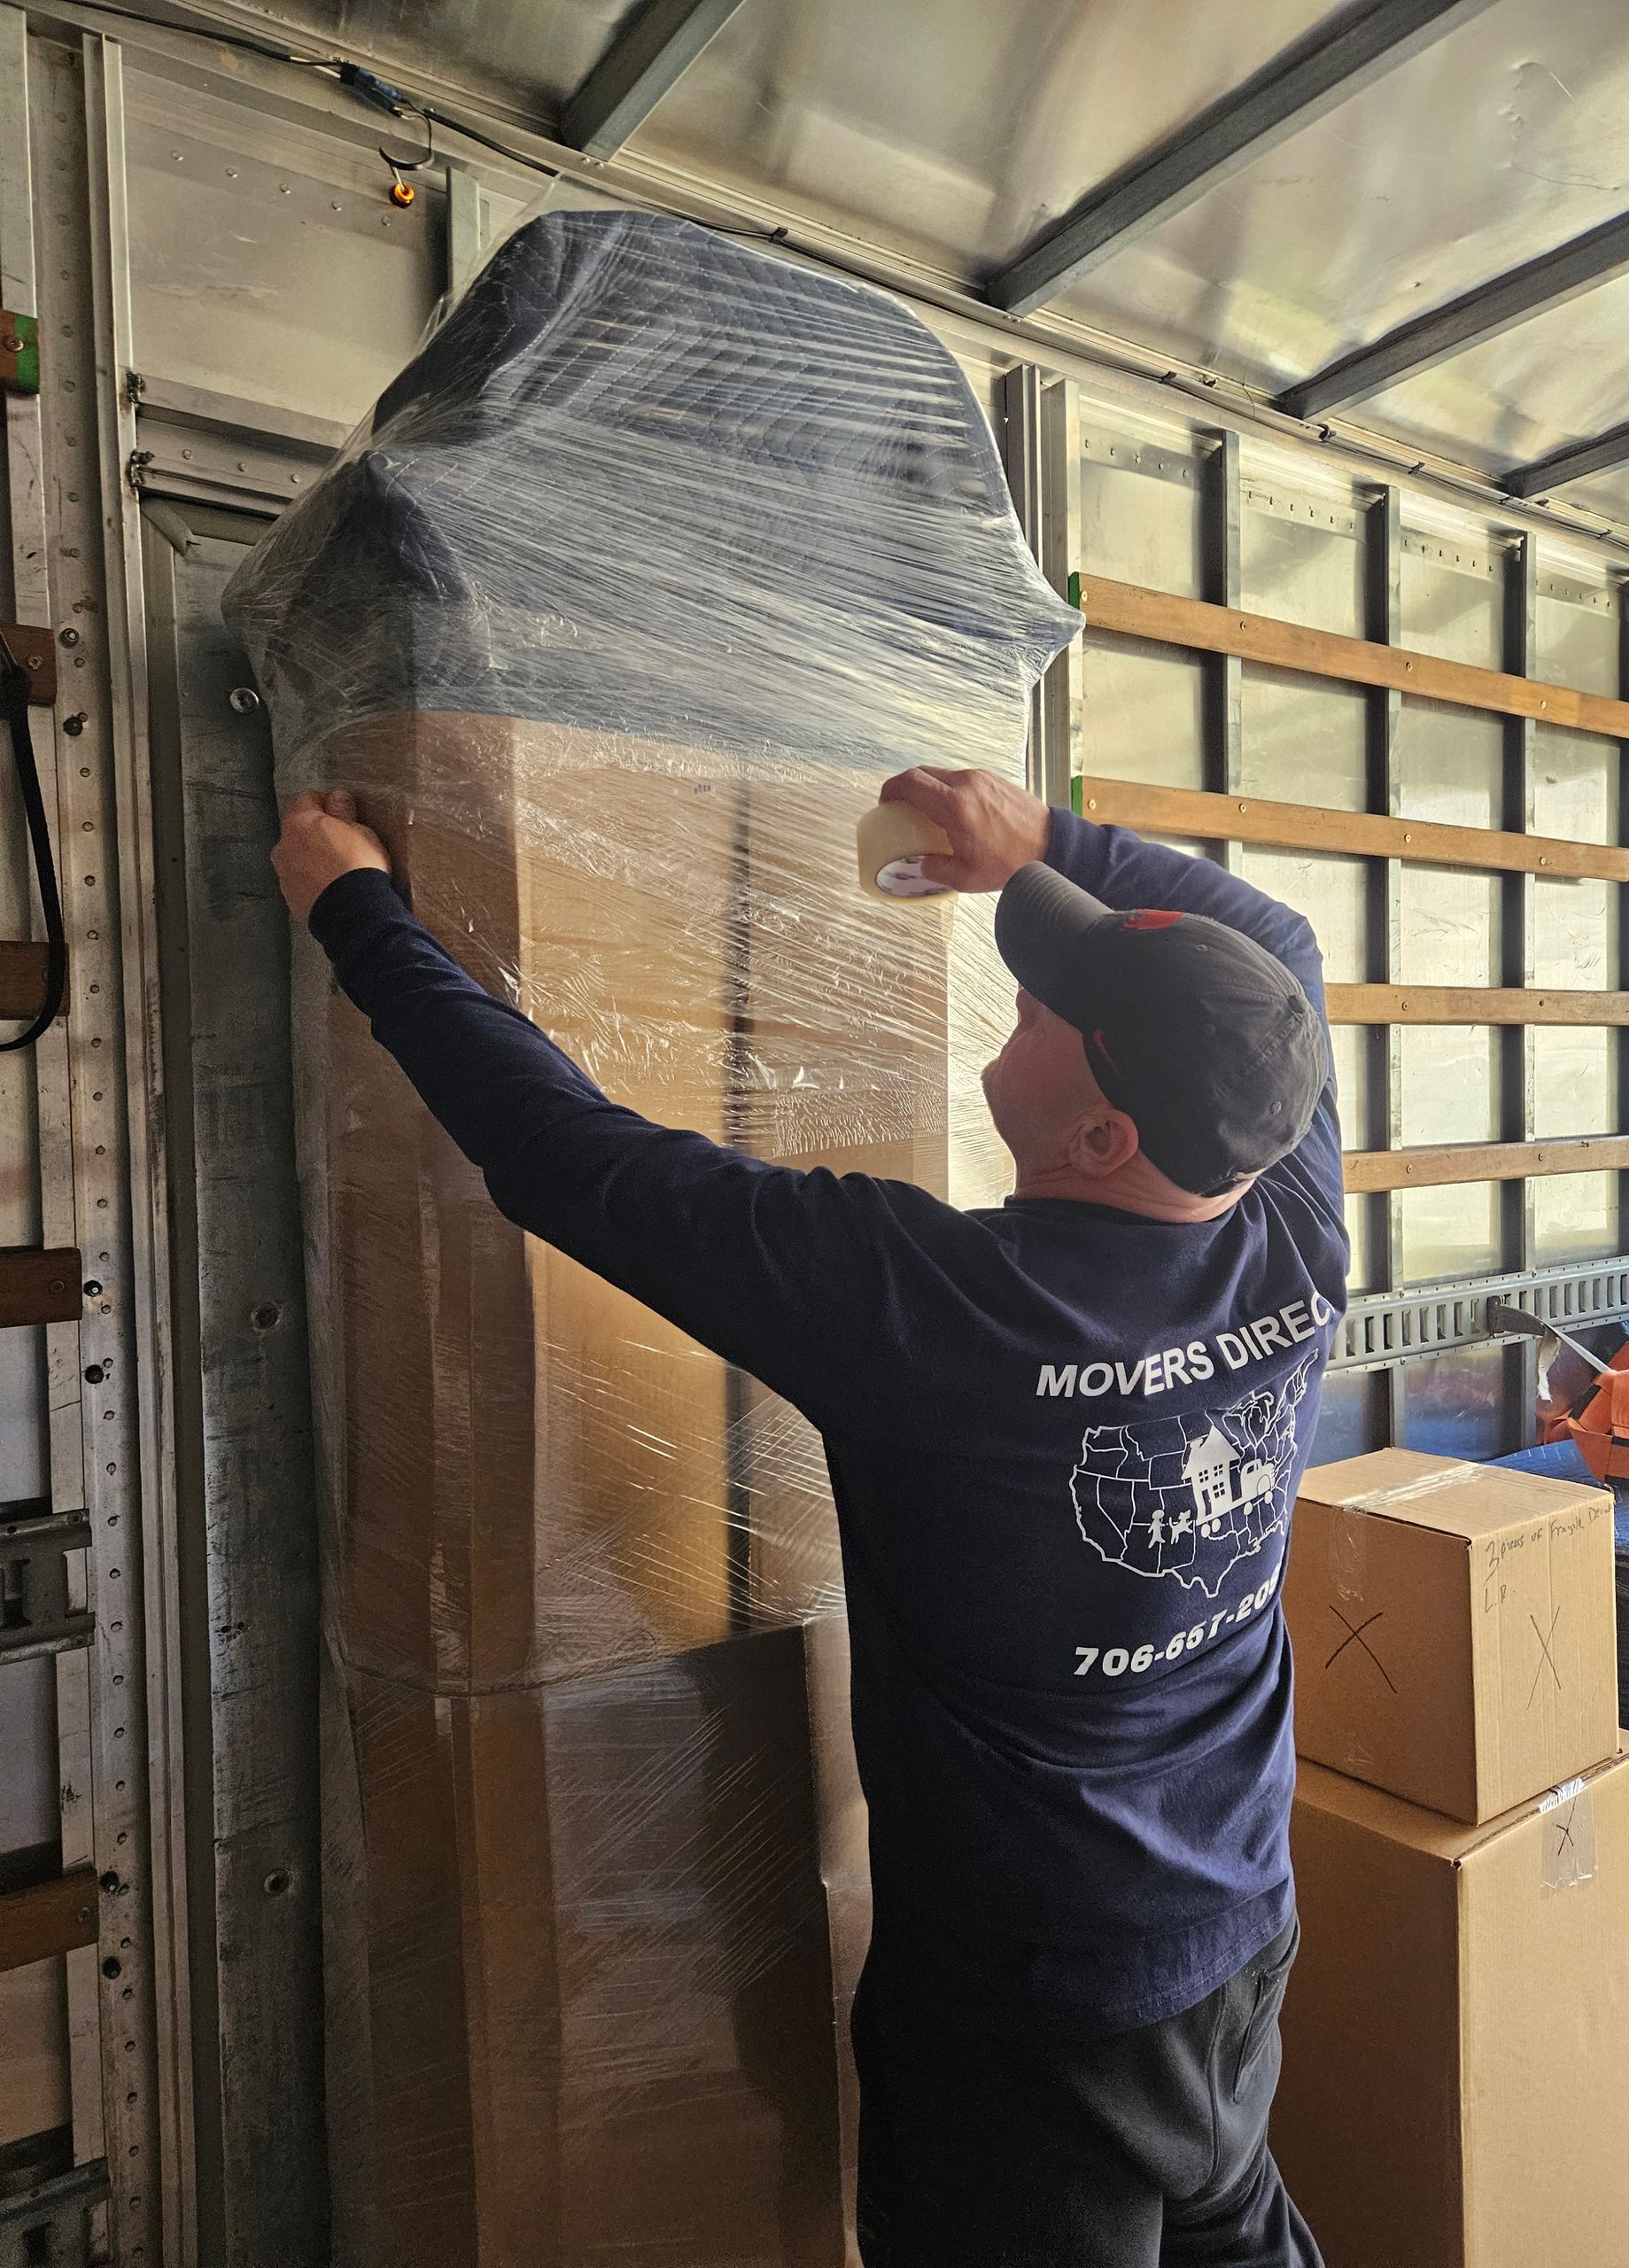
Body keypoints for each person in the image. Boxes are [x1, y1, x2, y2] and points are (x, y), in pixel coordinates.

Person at [272, 764, 1345, 2268]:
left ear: (1104, 1140)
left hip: (1035, 1999)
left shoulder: (940, 1309)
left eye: (1049, 1014)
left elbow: (568, 1155)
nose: (1011, 1000)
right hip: (1234, 1917)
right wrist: (1042, 844)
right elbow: (1280, 956)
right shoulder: (1289, 1222)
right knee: (1230, 2225)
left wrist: (353, 909)